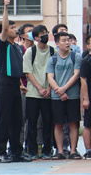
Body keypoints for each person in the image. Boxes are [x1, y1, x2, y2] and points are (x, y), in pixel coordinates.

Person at [0, 0, 32, 163]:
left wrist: (20, 85)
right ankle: (0, 152)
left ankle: (16, 152)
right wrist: (6, 7)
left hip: (15, 84)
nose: (15, 29)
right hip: (4, 84)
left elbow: (17, 69)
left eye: (15, 27)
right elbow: (3, 27)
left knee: (17, 120)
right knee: (3, 119)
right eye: (12, 27)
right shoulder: (3, 45)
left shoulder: (18, 47)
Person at [46, 31, 82, 159]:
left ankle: (73, 151)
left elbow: (76, 75)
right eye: (64, 40)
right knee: (58, 124)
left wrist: (64, 89)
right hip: (56, 97)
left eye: (68, 40)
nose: (67, 43)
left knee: (73, 123)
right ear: (57, 43)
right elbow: (50, 77)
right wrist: (58, 90)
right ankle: (60, 151)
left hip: (73, 95)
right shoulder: (53, 59)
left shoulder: (76, 57)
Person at [23, 25, 54, 159]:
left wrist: (49, 88)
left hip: (49, 93)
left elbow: (55, 71)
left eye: (46, 32)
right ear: (36, 38)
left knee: (48, 122)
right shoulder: (31, 52)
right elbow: (28, 72)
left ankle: (47, 150)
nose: (45, 35)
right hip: (33, 93)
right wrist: (40, 88)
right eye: (42, 34)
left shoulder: (52, 51)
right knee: (32, 123)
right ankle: (32, 150)